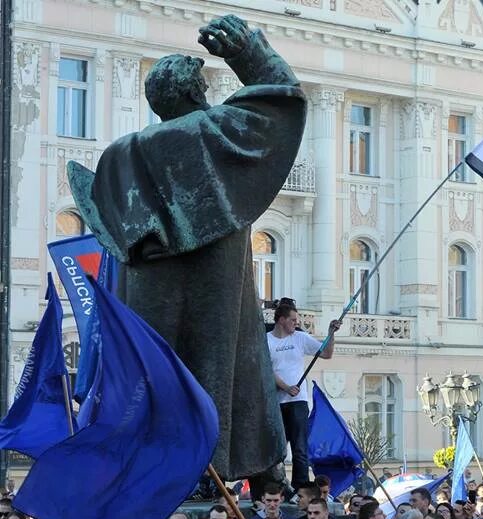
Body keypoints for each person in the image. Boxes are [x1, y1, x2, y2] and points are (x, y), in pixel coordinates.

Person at [67, 13, 307, 483]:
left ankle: (152, 481)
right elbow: (283, 95)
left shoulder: (120, 154)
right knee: (218, 372)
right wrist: (245, 52)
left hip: (146, 295)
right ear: (197, 93)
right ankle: (213, 474)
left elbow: (107, 226)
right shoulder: (216, 131)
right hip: (217, 285)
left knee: (153, 381)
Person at [268, 302, 340, 489]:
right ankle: (276, 482)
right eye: (292, 320)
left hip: (298, 401)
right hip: (277, 402)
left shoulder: (300, 338)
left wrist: (331, 333)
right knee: (277, 447)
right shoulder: (267, 341)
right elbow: (266, 370)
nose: (296, 323)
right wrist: (285, 387)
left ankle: (300, 483)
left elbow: (326, 353)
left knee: (300, 446)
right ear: (282, 320)